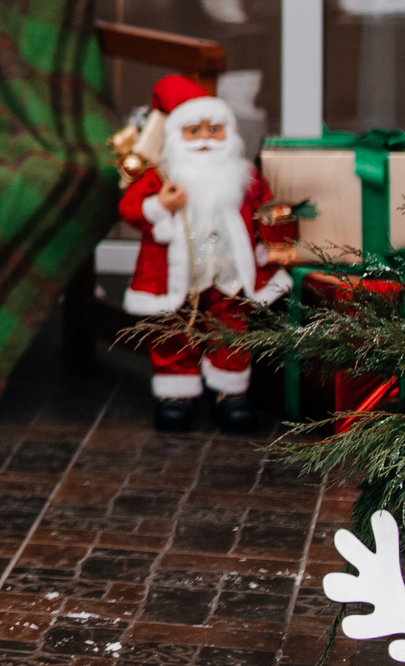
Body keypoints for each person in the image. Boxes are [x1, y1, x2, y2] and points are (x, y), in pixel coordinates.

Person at [119, 73, 293, 433]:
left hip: (231, 276)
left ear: (228, 133)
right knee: (172, 331)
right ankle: (175, 394)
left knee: (232, 330)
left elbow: (263, 209)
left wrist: (275, 243)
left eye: (214, 130)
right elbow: (130, 208)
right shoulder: (161, 176)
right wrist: (159, 205)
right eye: (193, 131)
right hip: (175, 277)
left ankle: (230, 393)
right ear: (176, 136)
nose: (205, 139)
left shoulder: (244, 175)